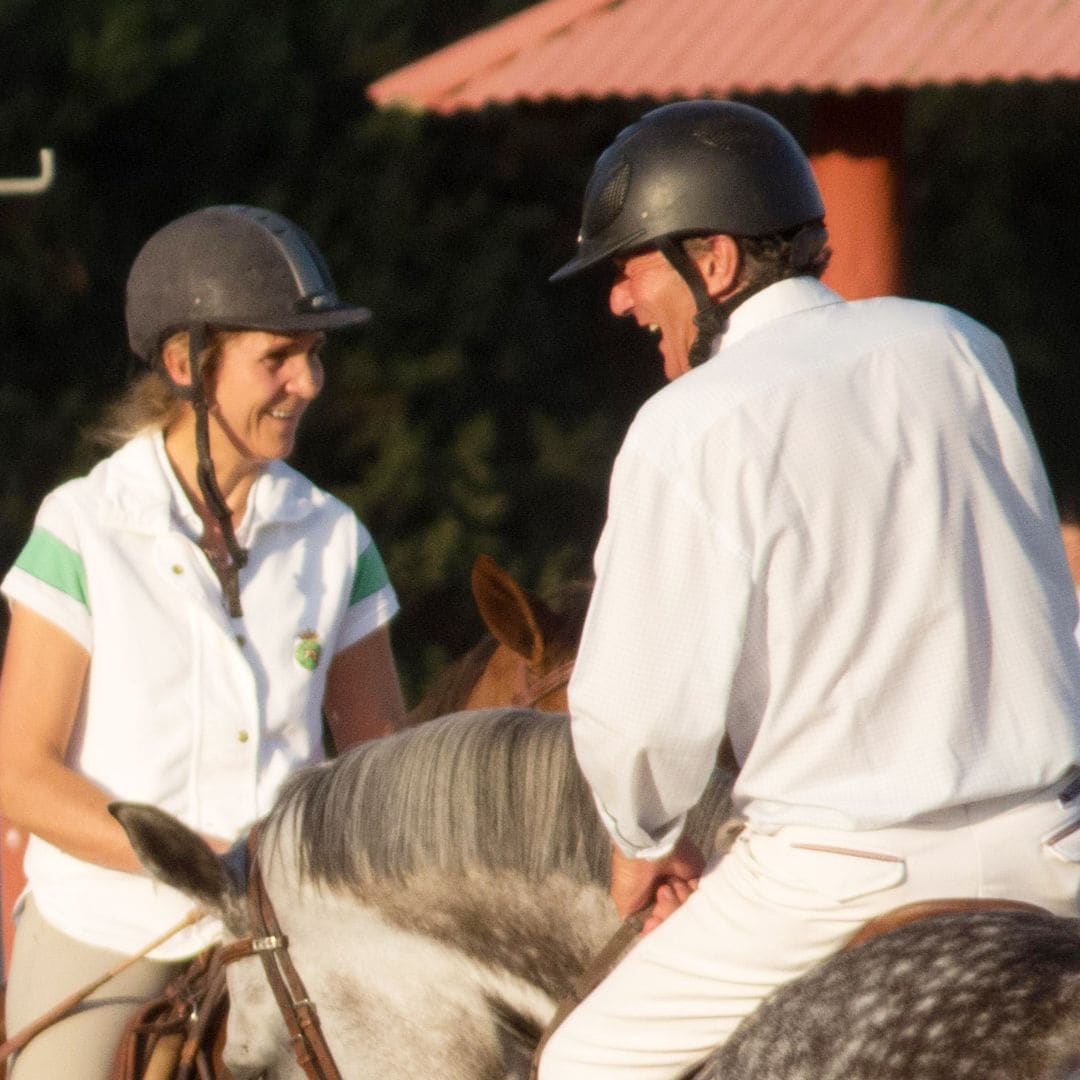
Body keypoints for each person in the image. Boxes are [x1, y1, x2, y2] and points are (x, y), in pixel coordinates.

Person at [539, 100, 1080, 1080]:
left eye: (631, 265)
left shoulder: (684, 426)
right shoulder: (963, 347)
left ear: (711, 263)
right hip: (1053, 850)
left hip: (839, 873)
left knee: (583, 1063)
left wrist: (641, 834)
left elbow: (640, 724)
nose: (621, 299)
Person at [0, 204, 405, 1078]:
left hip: (294, 933)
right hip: (110, 923)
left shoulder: (337, 539)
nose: (309, 381)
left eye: (314, 356)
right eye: (278, 358)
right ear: (187, 365)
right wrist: (201, 865)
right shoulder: (80, 528)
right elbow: (18, 775)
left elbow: (385, 764)